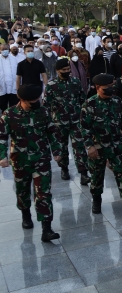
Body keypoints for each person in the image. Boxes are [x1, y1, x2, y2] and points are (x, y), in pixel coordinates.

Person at [0, 84, 62, 242]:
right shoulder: (9, 114)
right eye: (32, 101)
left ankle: (46, 229)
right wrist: (3, 156)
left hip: (41, 159)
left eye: (37, 99)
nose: (36, 103)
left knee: (44, 193)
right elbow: (2, 138)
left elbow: (51, 132)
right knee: (22, 190)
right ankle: (25, 215)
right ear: (21, 100)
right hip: (19, 160)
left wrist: (57, 151)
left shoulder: (43, 111)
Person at [80, 73, 122, 221]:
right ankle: (96, 201)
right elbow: (84, 128)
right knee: (97, 176)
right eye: (106, 87)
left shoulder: (117, 101)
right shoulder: (89, 104)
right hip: (98, 147)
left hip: (116, 146)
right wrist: (90, 147)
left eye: (111, 86)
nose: (110, 89)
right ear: (97, 88)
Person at [43, 58, 89, 184]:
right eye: (64, 70)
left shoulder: (75, 81)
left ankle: (84, 173)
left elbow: (82, 99)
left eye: (68, 69)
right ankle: (64, 169)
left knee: (79, 147)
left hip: (76, 121)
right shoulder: (51, 86)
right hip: (59, 122)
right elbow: (46, 105)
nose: (67, 71)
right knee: (62, 147)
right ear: (58, 71)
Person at [0, 44, 19, 111]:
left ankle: (12, 119)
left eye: (6, 49)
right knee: (2, 105)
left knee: (13, 105)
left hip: (13, 86)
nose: (5, 51)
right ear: (0, 50)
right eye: (3, 49)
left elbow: (17, 72)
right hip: (1, 87)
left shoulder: (13, 58)